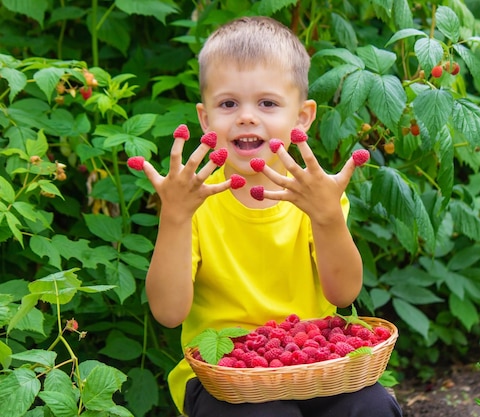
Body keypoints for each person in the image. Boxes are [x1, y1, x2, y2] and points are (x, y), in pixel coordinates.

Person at [136, 15, 403, 417]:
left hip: (316, 366)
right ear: (206, 119)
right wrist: (174, 216)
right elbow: (169, 313)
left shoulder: (316, 199)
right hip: (222, 376)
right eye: (228, 104)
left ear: (302, 118)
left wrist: (328, 216)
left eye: (267, 103)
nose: (246, 116)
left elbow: (344, 295)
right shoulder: (192, 205)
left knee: (373, 406)